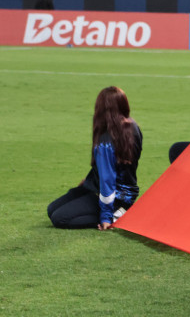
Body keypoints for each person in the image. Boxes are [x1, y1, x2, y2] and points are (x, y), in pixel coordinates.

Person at [48, 87, 143, 230]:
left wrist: (106, 216)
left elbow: (108, 180)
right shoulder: (133, 127)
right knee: (52, 209)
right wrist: (87, 181)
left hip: (112, 196)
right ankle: (118, 210)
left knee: (59, 218)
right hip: (118, 191)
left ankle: (118, 216)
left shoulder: (106, 140)